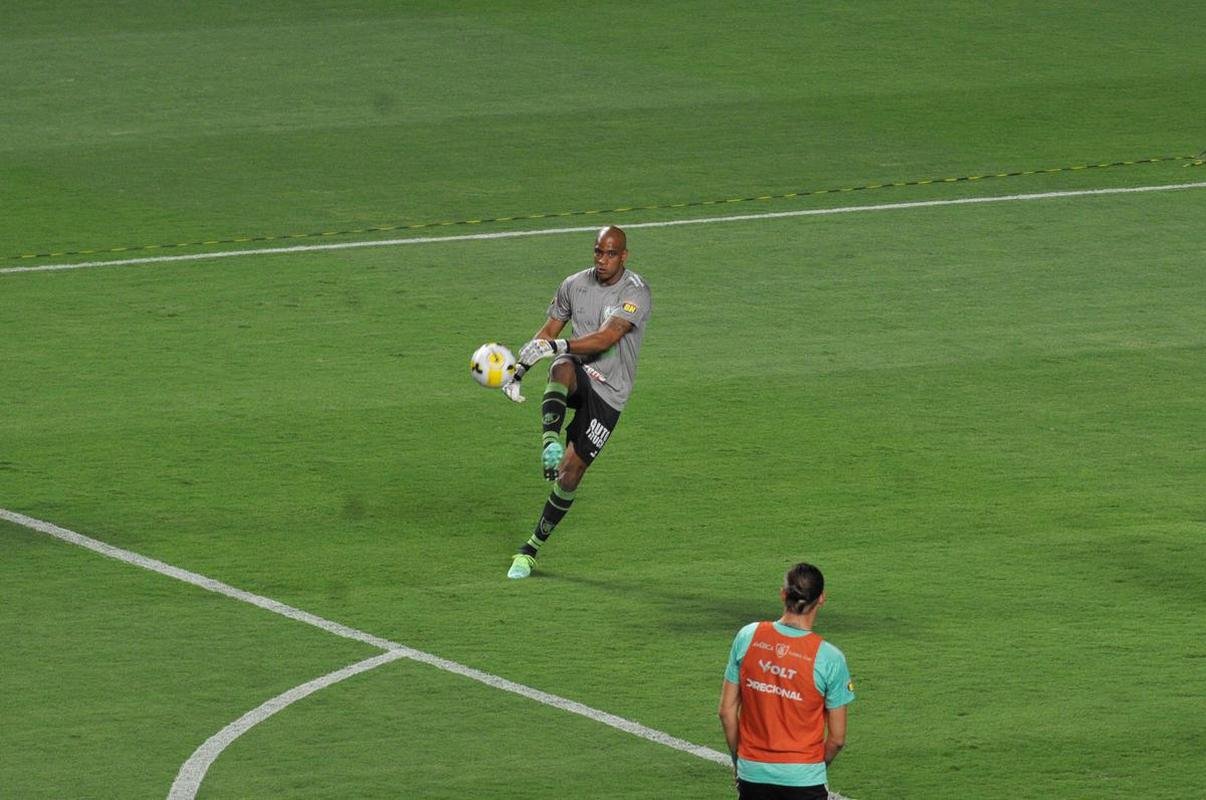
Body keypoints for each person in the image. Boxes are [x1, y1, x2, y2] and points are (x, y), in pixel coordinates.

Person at [501, 225, 651, 579]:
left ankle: (530, 549)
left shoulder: (635, 292)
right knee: (562, 366)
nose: (603, 260)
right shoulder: (574, 284)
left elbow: (607, 338)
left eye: (611, 254)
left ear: (624, 256)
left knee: (570, 475)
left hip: (610, 392)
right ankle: (549, 441)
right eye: (598, 251)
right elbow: (548, 333)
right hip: (579, 370)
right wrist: (518, 370)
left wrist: (557, 345)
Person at [718, 563, 855, 800]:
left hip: (753, 774)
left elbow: (726, 712)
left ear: (783, 594)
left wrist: (739, 762)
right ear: (821, 598)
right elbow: (837, 739)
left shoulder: (748, 636)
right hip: (805, 778)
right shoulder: (829, 658)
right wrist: (812, 769)